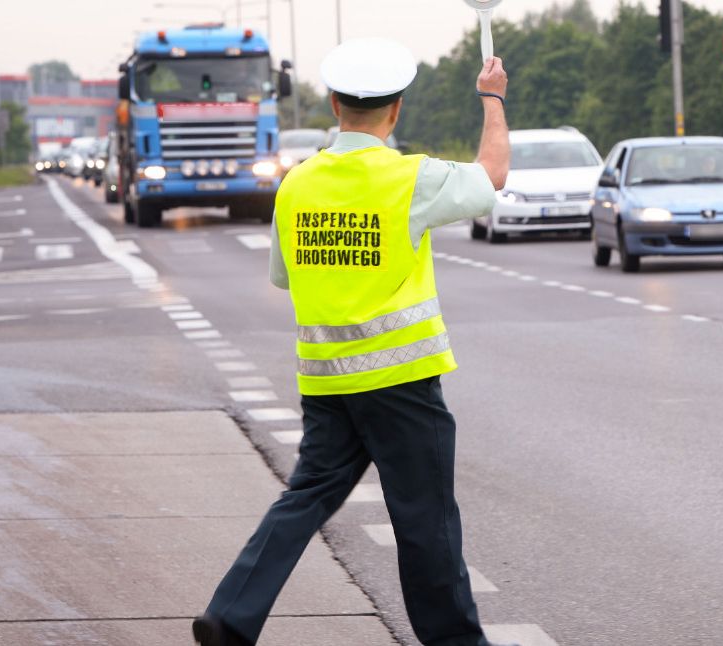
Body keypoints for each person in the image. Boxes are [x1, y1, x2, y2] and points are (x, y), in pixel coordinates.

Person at [192, 37, 512, 646]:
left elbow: (282, 277)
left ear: (335, 105)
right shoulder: (410, 177)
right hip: (400, 383)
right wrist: (492, 100)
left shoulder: (296, 184)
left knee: (305, 498)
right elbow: (492, 175)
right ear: (395, 112)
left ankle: (231, 615)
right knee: (425, 519)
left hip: (327, 380)